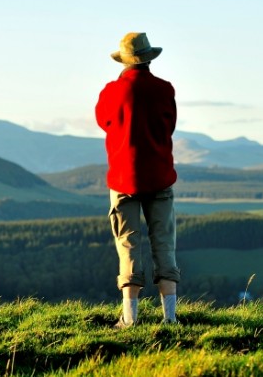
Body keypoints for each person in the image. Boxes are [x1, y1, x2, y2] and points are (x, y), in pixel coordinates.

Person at [95, 32, 180, 328]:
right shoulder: (165, 89)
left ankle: (130, 318)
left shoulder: (111, 91)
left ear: (125, 60)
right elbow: (169, 125)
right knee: (164, 243)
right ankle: (169, 317)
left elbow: (103, 121)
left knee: (128, 243)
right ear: (148, 58)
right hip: (159, 176)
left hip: (123, 179)